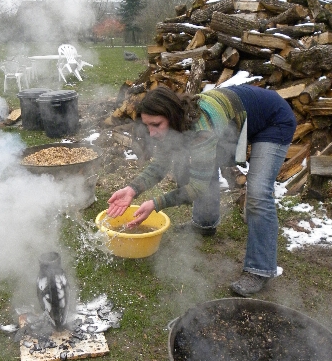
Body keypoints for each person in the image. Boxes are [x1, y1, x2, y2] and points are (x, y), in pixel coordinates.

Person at [106, 84, 297, 297]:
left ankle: (259, 269)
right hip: (240, 118)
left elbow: (197, 188)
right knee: (200, 168)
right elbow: (160, 165)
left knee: (258, 193)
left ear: (171, 115)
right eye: (147, 125)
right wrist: (132, 189)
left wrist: (156, 204)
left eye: (156, 125)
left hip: (273, 120)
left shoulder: (202, 129)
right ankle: (205, 223)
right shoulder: (176, 123)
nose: (152, 132)